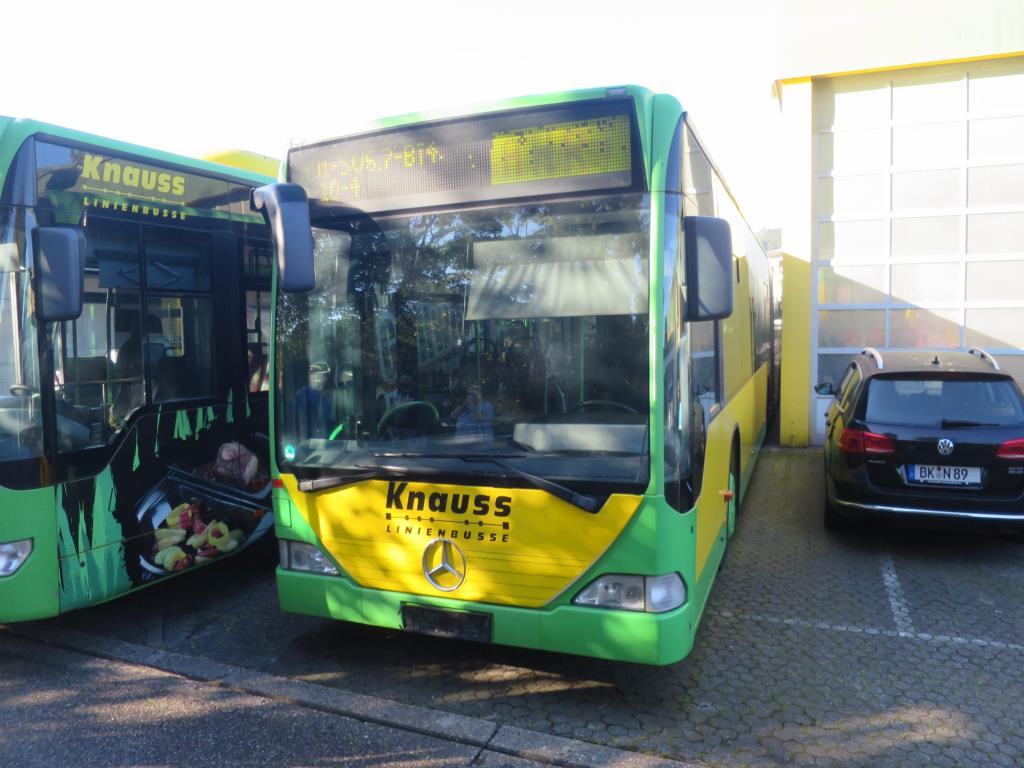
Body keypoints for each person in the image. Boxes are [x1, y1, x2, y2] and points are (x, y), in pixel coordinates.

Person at [293, 362, 334, 439]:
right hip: (309, 439)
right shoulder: (303, 394)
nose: (318, 379)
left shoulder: (331, 393)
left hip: (329, 438)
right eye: (314, 375)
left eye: (323, 376)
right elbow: (299, 421)